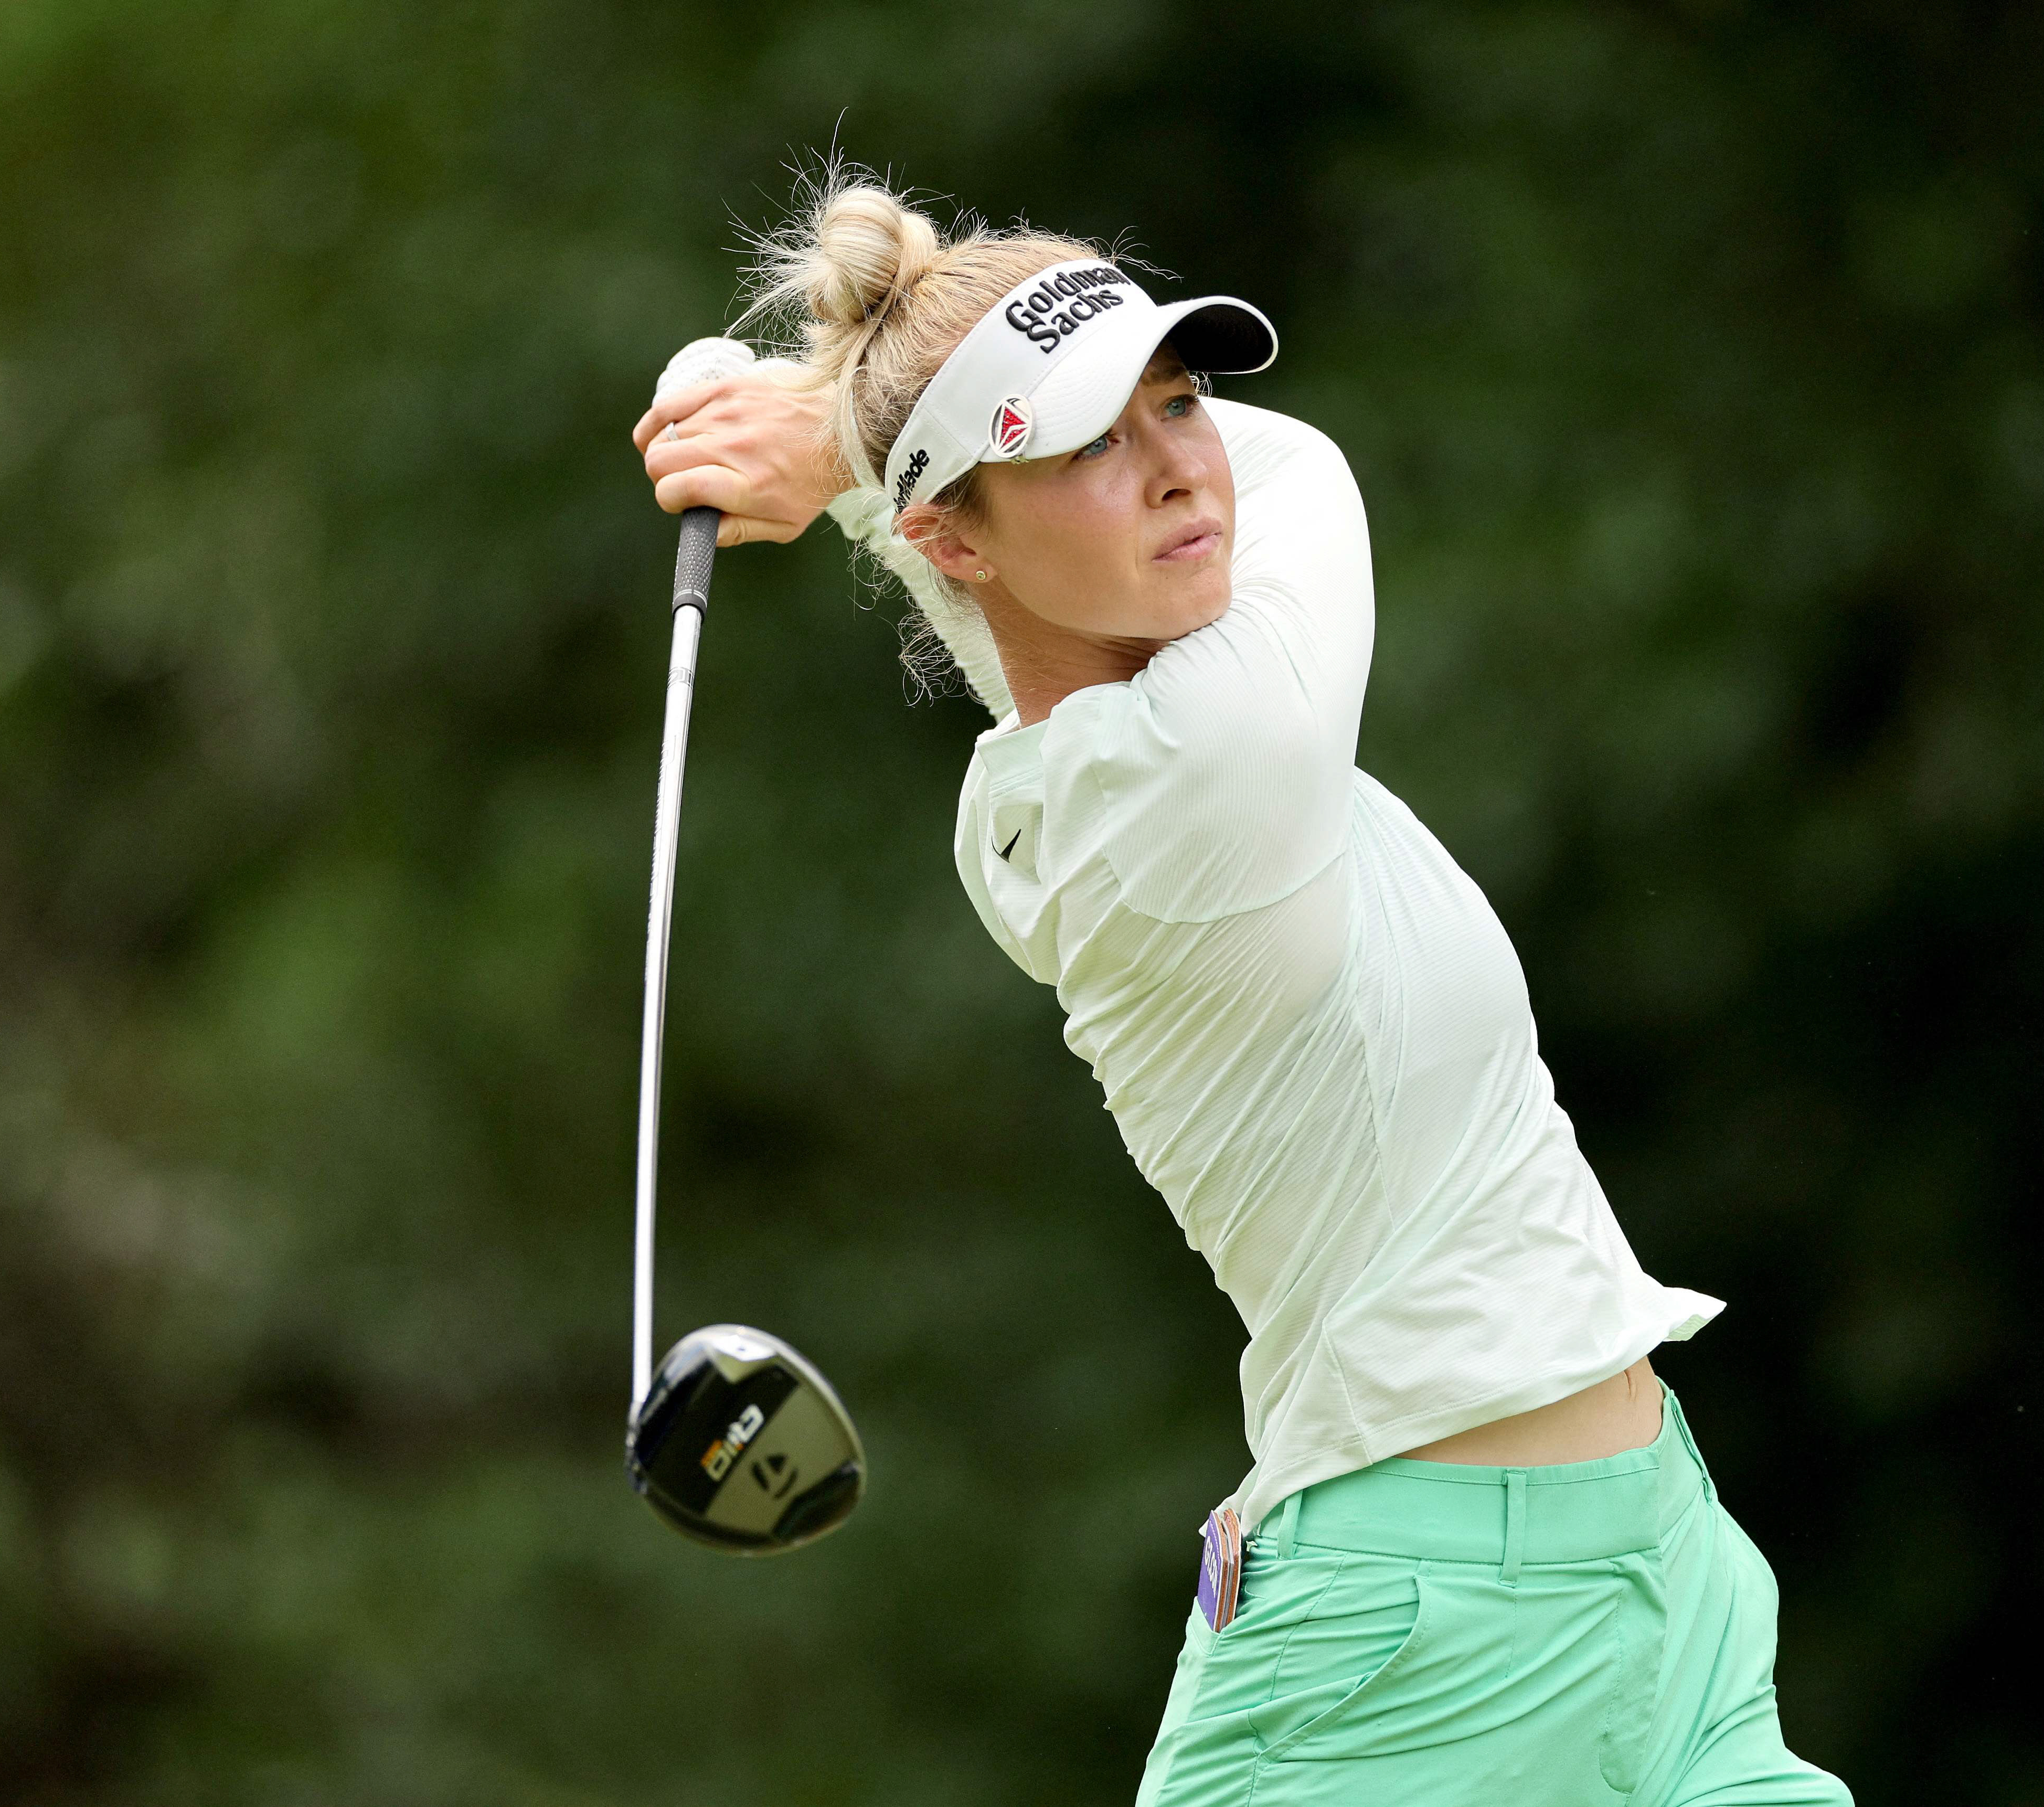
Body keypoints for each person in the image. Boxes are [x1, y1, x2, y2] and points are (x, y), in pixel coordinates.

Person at [633, 182, 1851, 1807]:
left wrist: (857, 455)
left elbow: (1063, 604)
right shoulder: (1199, 769)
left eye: (1180, 396)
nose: (1180, 462)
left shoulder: (1113, 728)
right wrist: (843, 450)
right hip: (1399, 1654)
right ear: (951, 533)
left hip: (1655, 1575)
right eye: (1084, 442)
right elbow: (1307, 474)